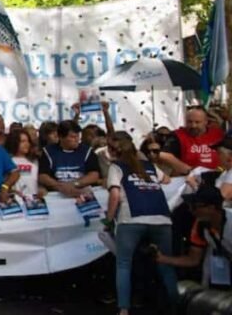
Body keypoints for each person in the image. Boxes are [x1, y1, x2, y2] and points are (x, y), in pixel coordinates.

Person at [104, 134, 178, 315]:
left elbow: (114, 196)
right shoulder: (150, 166)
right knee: (165, 262)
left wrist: (108, 219)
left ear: (115, 151)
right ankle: (177, 305)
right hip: (161, 218)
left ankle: (123, 309)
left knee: (123, 264)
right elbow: (167, 180)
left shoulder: (116, 167)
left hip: (131, 219)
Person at [155, 183, 232, 291]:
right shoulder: (200, 226)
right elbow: (193, 259)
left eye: (196, 206)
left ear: (211, 207)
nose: (191, 210)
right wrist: (162, 259)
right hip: (218, 275)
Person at [38, 120, 101, 197]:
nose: (77, 139)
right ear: (61, 137)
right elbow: (43, 176)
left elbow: (94, 174)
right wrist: (60, 186)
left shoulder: (87, 151)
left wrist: (75, 184)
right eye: (73, 137)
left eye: (78, 136)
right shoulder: (48, 152)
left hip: (82, 193)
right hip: (57, 195)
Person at [161, 106, 226, 174]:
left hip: (217, 176)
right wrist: (188, 170)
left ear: (206, 122)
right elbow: (164, 154)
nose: (193, 126)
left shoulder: (218, 134)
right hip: (188, 178)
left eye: (197, 122)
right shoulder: (178, 135)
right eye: (189, 122)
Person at [5, 129, 40, 197]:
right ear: (14, 142)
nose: (27, 144)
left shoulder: (34, 161)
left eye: (28, 141)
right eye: (23, 141)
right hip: (15, 200)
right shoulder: (7, 160)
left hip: (33, 200)